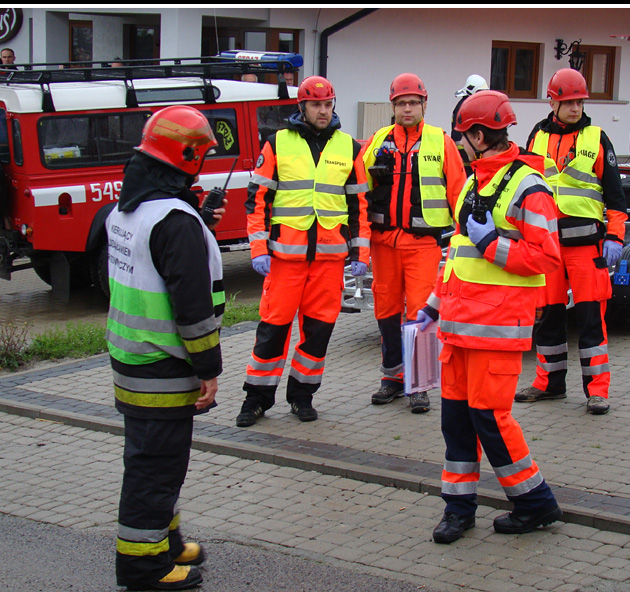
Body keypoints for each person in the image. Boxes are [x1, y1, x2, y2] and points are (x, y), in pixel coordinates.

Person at [415, 90, 563, 544]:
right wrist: (433, 305)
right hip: (458, 328)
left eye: (464, 136)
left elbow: (545, 258)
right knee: (455, 421)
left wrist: (491, 244)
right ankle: (458, 509)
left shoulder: (529, 188)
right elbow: (457, 254)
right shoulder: (471, 184)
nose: (460, 144)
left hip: (497, 330)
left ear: (480, 135)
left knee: (492, 420)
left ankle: (535, 503)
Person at [105, 105, 224, 591]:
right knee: (154, 471)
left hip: (133, 360)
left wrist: (196, 214)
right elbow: (192, 310)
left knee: (159, 464)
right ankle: (142, 569)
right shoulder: (174, 221)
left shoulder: (130, 205)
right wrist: (209, 368)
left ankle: (165, 544)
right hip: (165, 366)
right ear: (187, 156)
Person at [236, 75, 370, 427]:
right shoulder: (278, 143)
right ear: (303, 107)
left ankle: (301, 397)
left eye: (328, 104)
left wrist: (361, 254)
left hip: (328, 260)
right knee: (272, 332)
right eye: (316, 105)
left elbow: (359, 206)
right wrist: (258, 248)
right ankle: (256, 399)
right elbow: (257, 201)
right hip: (283, 259)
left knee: (318, 335)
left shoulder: (350, 148)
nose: (323, 111)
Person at [516, 68, 628, 416]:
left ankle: (597, 391)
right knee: (548, 316)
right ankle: (549, 384)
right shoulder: (536, 135)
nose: (575, 108)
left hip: (586, 247)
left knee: (591, 317)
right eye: (568, 102)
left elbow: (616, 197)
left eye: (580, 101)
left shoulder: (597, 137)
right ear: (553, 101)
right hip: (547, 247)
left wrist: (615, 237)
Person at [361, 73, 466, 413]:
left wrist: (464, 241)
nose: (407, 108)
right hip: (383, 243)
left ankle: (418, 385)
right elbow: (359, 195)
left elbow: (460, 194)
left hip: (423, 244)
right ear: (392, 106)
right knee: (386, 312)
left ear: (424, 104)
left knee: (420, 313)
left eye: (412, 102)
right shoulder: (376, 141)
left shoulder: (442, 142)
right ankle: (392, 378)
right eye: (400, 103)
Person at [451, 74, 489, 176]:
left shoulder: (471, 106)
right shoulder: (464, 108)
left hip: (472, 158)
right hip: (466, 161)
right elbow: (458, 136)